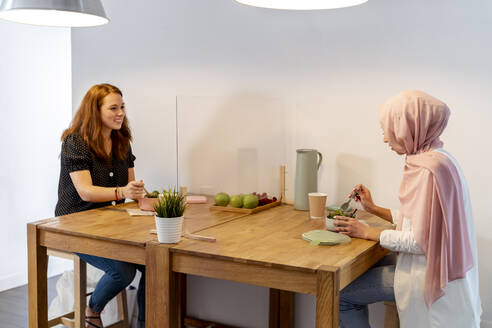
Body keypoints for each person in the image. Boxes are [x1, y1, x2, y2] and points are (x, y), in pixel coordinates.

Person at [333, 90, 482, 327]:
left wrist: (367, 232)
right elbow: (424, 220)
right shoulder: (442, 160)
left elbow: (419, 241)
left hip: (427, 279)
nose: (385, 139)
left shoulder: (427, 170)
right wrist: (373, 209)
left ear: (410, 126)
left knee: (341, 295)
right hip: (449, 280)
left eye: (389, 130)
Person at [55, 83, 146, 328]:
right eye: (113, 108)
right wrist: (123, 191)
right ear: (95, 111)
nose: (121, 113)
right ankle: (92, 310)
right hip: (75, 222)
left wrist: (145, 196)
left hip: (110, 221)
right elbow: (85, 192)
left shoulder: (122, 141)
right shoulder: (75, 142)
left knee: (153, 264)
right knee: (123, 272)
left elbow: (130, 187)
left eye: (122, 107)